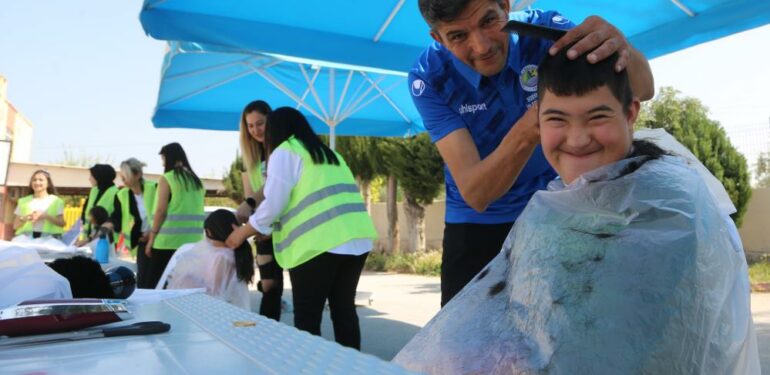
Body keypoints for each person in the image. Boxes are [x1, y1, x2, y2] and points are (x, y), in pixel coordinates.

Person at [393, 47, 760, 374]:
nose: (577, 138)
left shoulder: (669, 208)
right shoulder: (555, 206)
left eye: (597, 117)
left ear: (630, 112)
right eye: (557, 120)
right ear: (536, 122)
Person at [412, 0, 655, 306]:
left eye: (489, 21)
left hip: (555, 207)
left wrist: (621, 45)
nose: (481, 46)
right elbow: (477, 193)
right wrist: (538, 122)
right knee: (463, 346)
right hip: (476, 225)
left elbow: (643, 89)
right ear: (438, 38)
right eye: (458, 36)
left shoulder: (547, 30)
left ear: (505, 5)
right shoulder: (429, 77)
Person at [227, 107, 377, 350]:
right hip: (356, 243)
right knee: (344, 312)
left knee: (308, 319)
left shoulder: (285, 152)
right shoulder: (329, 155)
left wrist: (242, 234)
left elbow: (274, 203)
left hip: (317, 247)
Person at [233, 100, 283, 321]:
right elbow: (249, 198)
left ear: (270, 121)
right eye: (250, 126)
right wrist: (254, 226)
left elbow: (277, 190)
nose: (256, 130)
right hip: (262, 231)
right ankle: (267, 335)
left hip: (284, 227)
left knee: (280, 287)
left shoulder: (282, 152)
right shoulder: (250, 159)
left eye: (260, 123)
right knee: (269, 286)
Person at [166, 209, 254, 310]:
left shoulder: (222, 256)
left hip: (221, 312)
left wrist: (189, 281)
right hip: (234, 309)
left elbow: (216, 292)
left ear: (210, 232)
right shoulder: (234, 252)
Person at [145, 143, 205, 289]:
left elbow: (161, 211)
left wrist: (151, 238)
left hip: (167, 242)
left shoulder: (167, 178)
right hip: (192, 243)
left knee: (156, 285)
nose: (163, 163)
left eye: (163, 159)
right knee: (184, 287)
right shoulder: (197, 181)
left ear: (168, 158)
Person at [113, 158, 157, 289]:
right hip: (141, 242)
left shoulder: (154, 188)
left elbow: (163, 214)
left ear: (137, 175)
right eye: (121, 175)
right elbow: (118, 219)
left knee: (156, 280)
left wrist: (152, 232)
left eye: (125, 175)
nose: (122, 179)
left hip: (159, 239)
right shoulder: (122, 194)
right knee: (144, 281)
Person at [13, 170, 66, 239]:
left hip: (49, 242)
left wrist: (45, 216)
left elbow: (62, 223)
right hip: (26, 242)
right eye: (34, 180)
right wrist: (26, 218)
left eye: (41, 180)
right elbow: (15, 226)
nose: (37, 182)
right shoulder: (23, 201)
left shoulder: (56, 201)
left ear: (48, 183)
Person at [80, 164, 119, 241]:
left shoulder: (116, 193)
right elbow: (85, 212)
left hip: (105, 239)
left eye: (92, 175)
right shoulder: (94, 190)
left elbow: (116, 219)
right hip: (88, 238)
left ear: (100, 177)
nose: (89, 179)